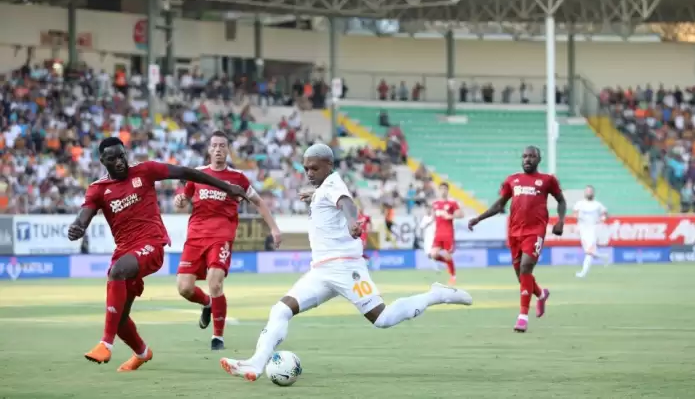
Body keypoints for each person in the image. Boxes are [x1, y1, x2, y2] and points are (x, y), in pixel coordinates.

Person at [219, 144, 473, 381]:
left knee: (382, 319)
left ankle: (435, 295)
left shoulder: (333, 185)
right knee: (280, 310)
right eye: (306, 168)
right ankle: (256, 363)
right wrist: (314, 193)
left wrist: (353, 222)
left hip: (345, 268)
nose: (308, 172)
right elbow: (329, 197)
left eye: (314, 168)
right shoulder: (324, 187)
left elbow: (346, 203)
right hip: (320, 271)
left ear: (329, 165)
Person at [67, 136, 248, 371]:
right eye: (113, 159)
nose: (120, 162)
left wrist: (226, 186)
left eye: (122, 156)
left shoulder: (145, 171)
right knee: (120, 319)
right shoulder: (98, 190)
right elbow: (85, 215)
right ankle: (142, 353)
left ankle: (106, 344)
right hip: (125, 251)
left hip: (151, 244)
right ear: (102, 160)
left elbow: (186, 172)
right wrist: (78, 227)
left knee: (117, 271)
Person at [173, 131, 282, 350]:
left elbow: (258, 202)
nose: (218, 149)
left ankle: (217, 338)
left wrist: (274, 228)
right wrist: (180, 201)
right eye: (214, 145)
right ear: (209, 149)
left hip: (221, 236)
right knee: (184, 288)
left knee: (215, 281)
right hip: (195, 236)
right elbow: (183, 200)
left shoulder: (238, 178)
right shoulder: (197, 174)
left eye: (223, 145)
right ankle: (207, 303)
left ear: (228, 149)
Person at [467, 146, 566, 333]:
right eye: (525, 156)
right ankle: (541, 294)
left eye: (532, 156)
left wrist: (560, 221)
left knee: (526, 267)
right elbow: (500, 204)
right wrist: (479, 218)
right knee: (521, 276)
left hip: (535, 231)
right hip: (514, 232)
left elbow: (561, 200)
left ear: (539, 159)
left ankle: (522, 316)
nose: (528, 159)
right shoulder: (512, 180)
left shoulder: (547, 180)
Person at [429, 182, 463, 285]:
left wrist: (451, 216)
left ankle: (453, 275)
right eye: (441, 189)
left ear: (447, 191)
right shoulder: (435, 204)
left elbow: (461, 214)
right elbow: (432, 216)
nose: (443, 191)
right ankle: (449, 265)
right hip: (438, 234)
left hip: (448, 234)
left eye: (445, 189)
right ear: (439, 190)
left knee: (448, 256)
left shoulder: (452, 203)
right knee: (433, 254)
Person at [572, 185, 608, 278]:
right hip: (583, 230)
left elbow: (605, 213)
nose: (589, 192)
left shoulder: (597, 204)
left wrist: (602, 218)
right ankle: (604, 257)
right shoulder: (580, 203)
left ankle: (583, 273)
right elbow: (574, 213)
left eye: (590, 191)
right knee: (591, 252)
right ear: (585, 193)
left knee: (589, 252)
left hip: (593, 229)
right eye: (587, 191)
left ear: (593, 193)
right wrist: (577, 217)